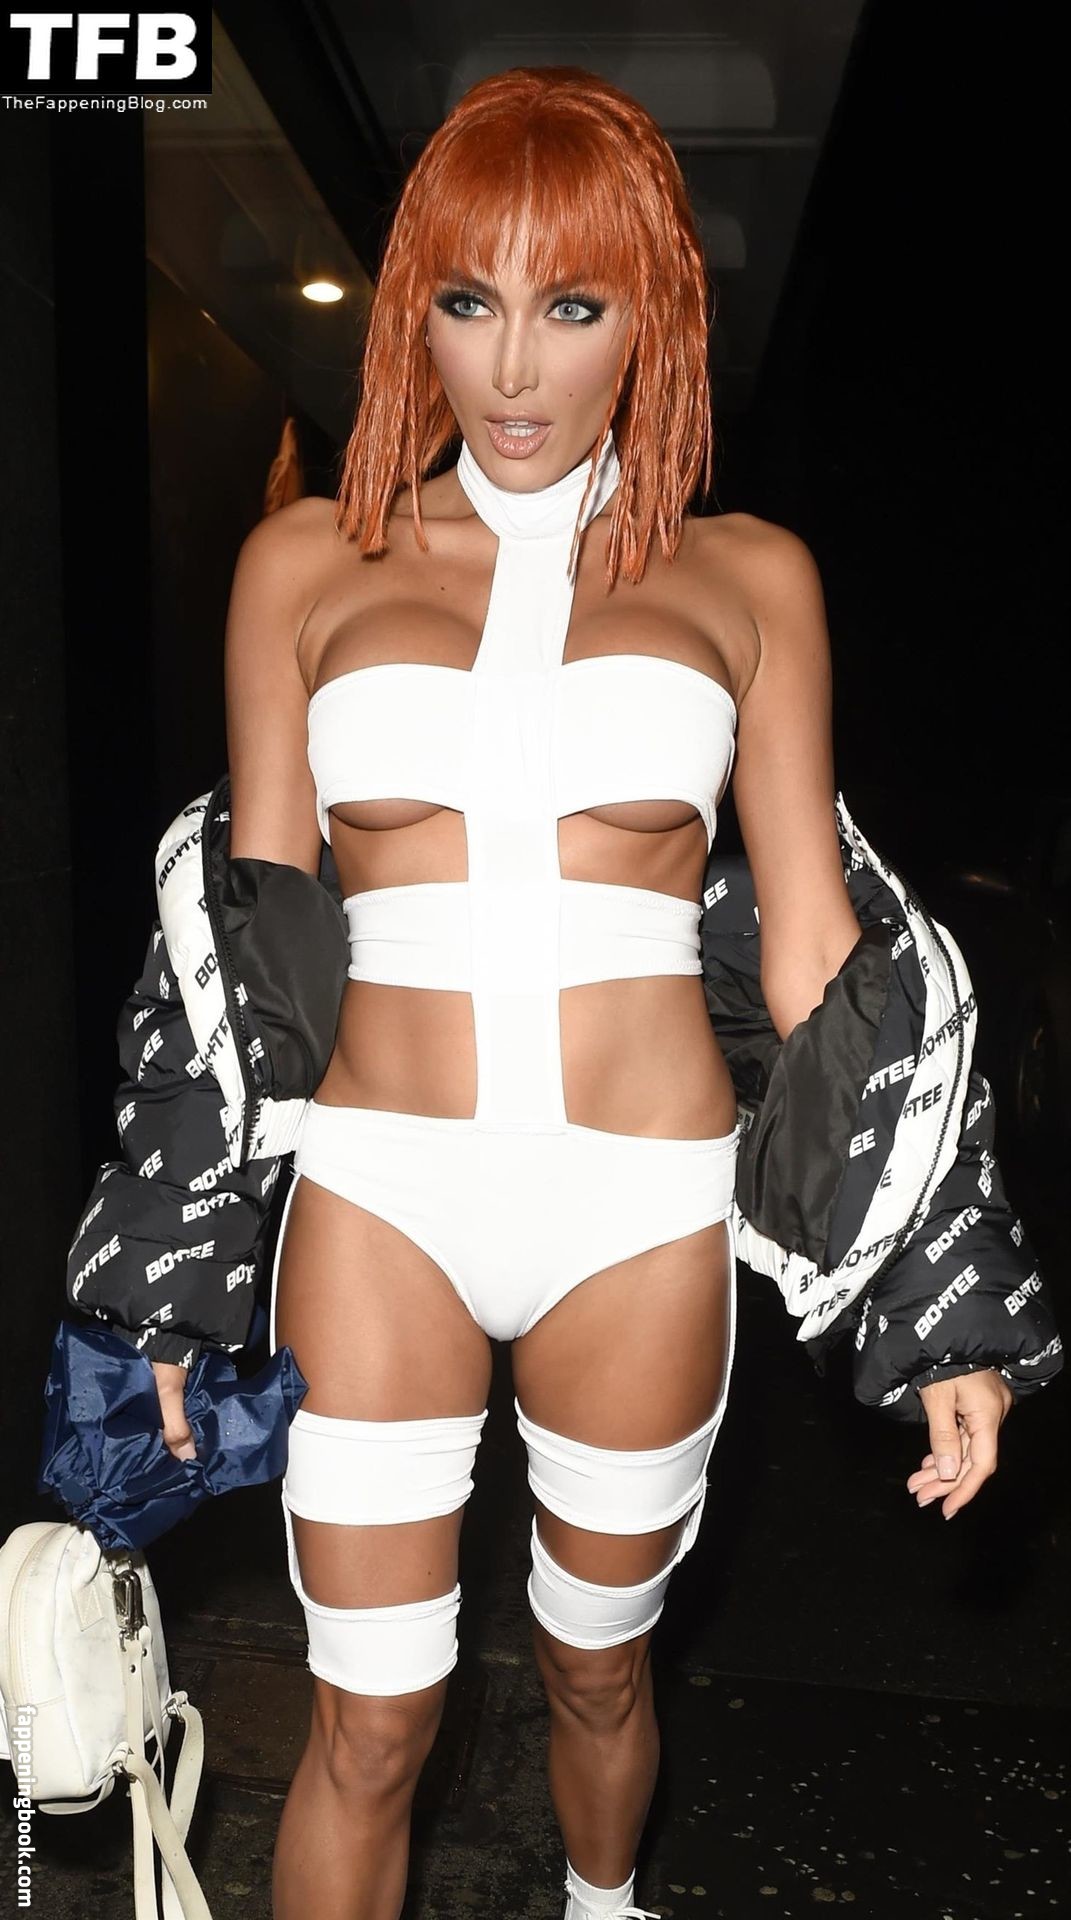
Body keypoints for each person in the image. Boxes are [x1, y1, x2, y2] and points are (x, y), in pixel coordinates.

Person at [147, 64, 1018, 1920]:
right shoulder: (305, 563)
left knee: (597, 1672)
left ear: (654, 319)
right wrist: (172, 1253)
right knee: (365, 1727)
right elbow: (251, 956)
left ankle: (601, 1909)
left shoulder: (749, 580)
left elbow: (818, 954)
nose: (515, 368)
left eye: (573, 305)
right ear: (416, 316)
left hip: (640, 1211)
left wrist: (943, 1298)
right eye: (469, 302)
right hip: (379, 1195)